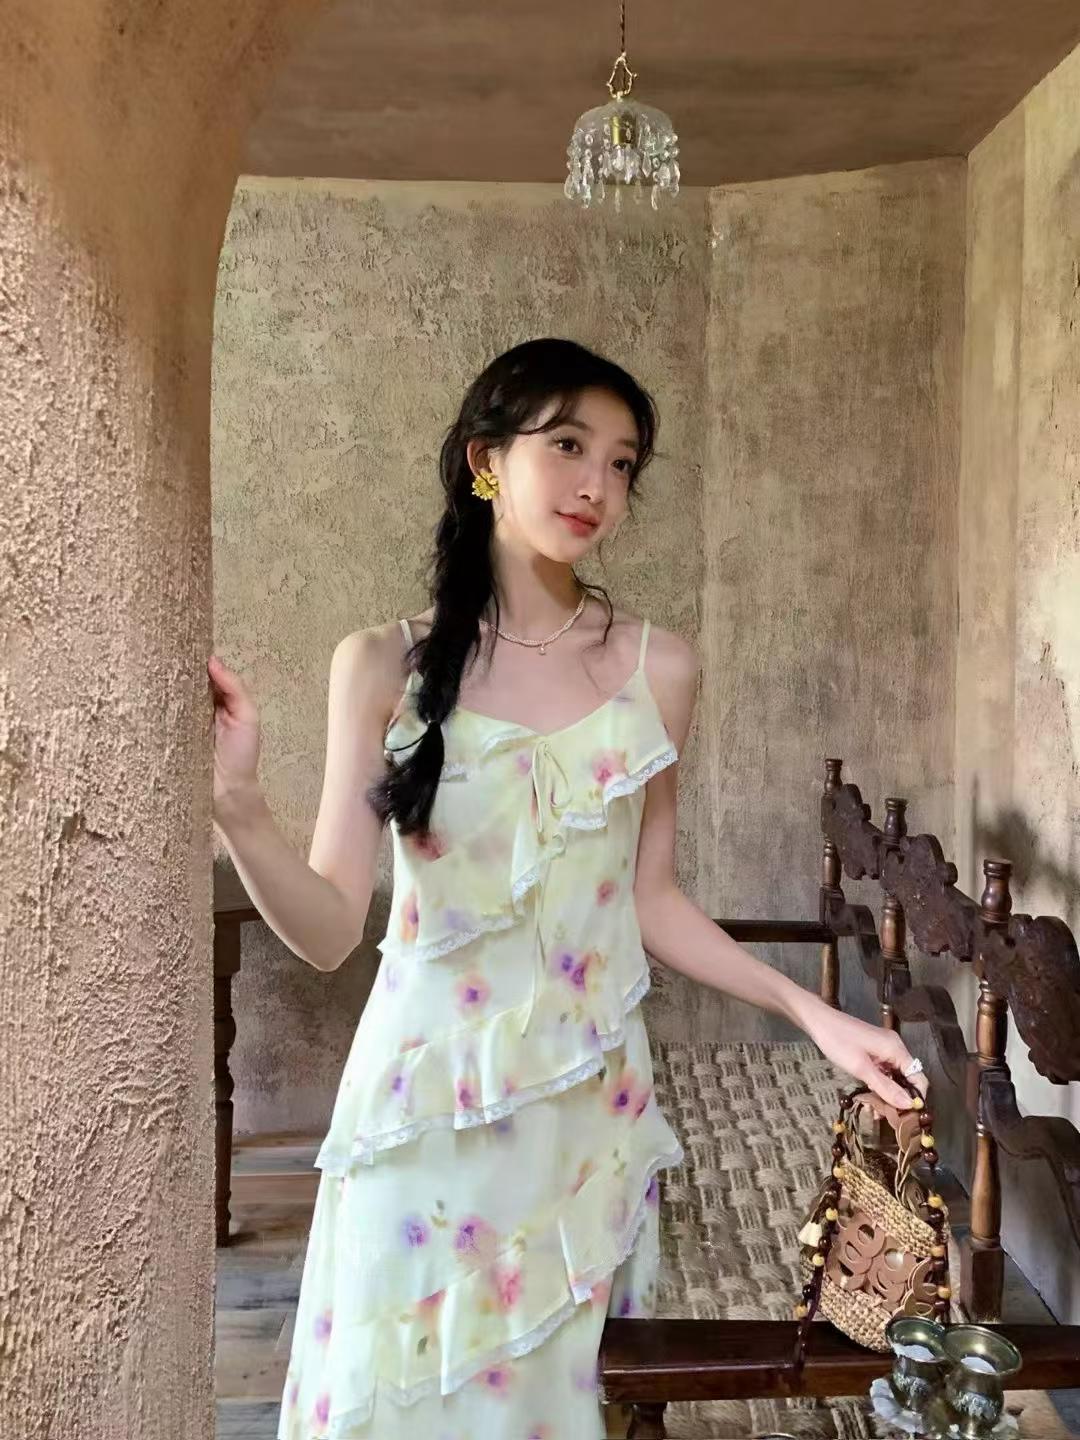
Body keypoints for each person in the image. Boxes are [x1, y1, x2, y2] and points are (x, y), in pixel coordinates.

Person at [208, 337, 926, 1440]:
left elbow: (652, 900)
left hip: (588, 1111)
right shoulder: (383, 665)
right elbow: (328, 927)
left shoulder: (658, 669)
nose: (598, 484)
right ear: (485, 460)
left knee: (562, 1406)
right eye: (568, 446)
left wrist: (814, 1015)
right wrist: (238, 805)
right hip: (422, 1112)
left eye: (623, 463)